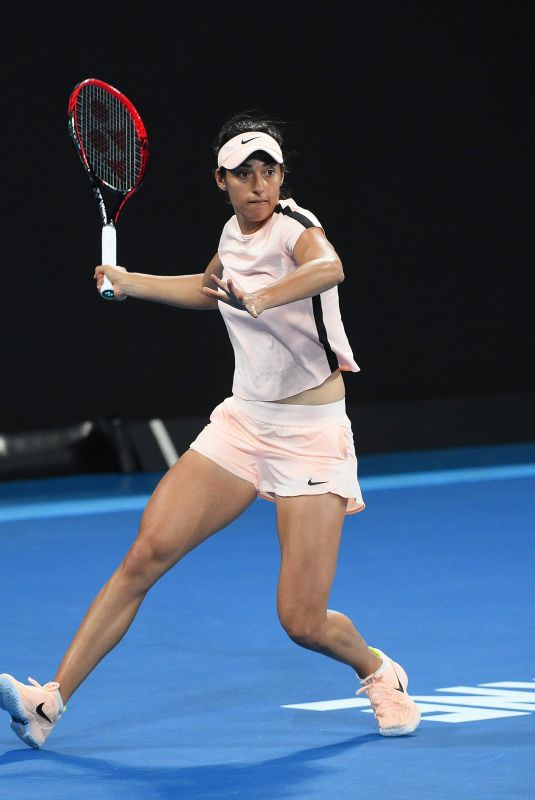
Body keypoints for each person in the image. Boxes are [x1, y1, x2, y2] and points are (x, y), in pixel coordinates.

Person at [0, 110, 420, 749]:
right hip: (245, 421)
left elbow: (328, 267)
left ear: (282, 176)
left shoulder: (296, 228)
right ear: (220, 180)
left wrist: (268, 296)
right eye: (243, 174)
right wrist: (128, 281)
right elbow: (209, 289)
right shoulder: (232, 234)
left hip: (310, 432)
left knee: (301, 620)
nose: (258, 186)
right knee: (145, 554)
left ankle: (378, 671)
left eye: (269, 171)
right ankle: (48, 701)